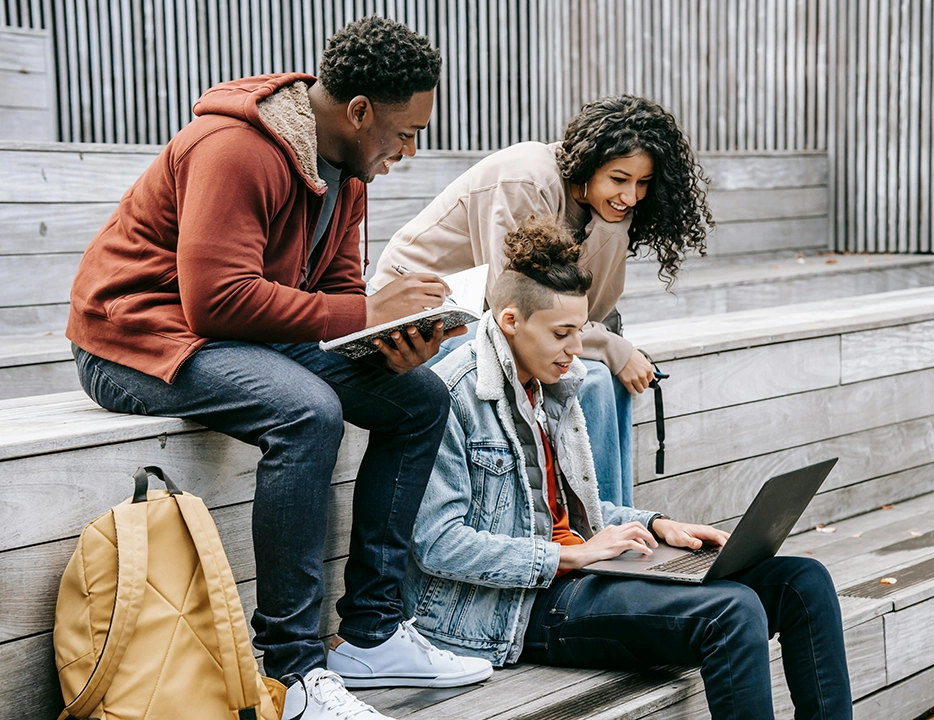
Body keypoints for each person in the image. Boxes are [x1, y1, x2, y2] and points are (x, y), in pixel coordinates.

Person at [66, 17, 491, 720]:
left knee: (417, 399)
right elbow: (216, 300)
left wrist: (391, 336)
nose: (409, 151)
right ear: (359, 113)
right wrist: (362, 314)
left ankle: (373, 637)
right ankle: (293, 672)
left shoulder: (348, 170)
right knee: (306, 410)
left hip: (243, 335)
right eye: (406, 131)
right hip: (134, 338)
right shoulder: (235, 148)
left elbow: (342, 292)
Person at [401, 217, 853, 719]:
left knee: (803, 581)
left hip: (581, 574)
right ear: (511, 320)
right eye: (562, 333)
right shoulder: (451, 393)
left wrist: (658, 525)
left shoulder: (550, 383)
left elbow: (571, 513)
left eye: (581, 331)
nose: (577, 351)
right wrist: (570, 557)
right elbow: (437, 543)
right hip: (516, 609)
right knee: (733, 610)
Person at [370, 95, 715, 507]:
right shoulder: (527, 182)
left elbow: (592, 309)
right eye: (620, 179)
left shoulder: (602, 205)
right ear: (589, 164)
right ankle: (594, 542)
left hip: (494, 321)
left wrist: (610, 228)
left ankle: (615, 527)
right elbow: (511, 310)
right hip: (425, 321)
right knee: (591, 379)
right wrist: (609, 345)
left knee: (610, 381)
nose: (632, 196)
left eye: (642, 183)